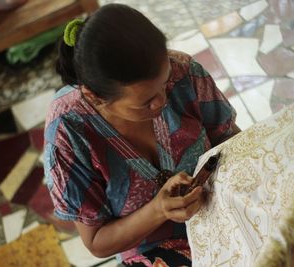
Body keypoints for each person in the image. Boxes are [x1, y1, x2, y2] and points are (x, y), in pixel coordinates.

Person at [44, 3, 240, 266]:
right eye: (145, 102)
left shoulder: (183, 72)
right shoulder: (68, 133)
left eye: (164, 81)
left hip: (224, 206)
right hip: (153, 248)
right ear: (95, 97)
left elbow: (233, 141)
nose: (162, 101)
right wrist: (158, 210)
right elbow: (97, 242)